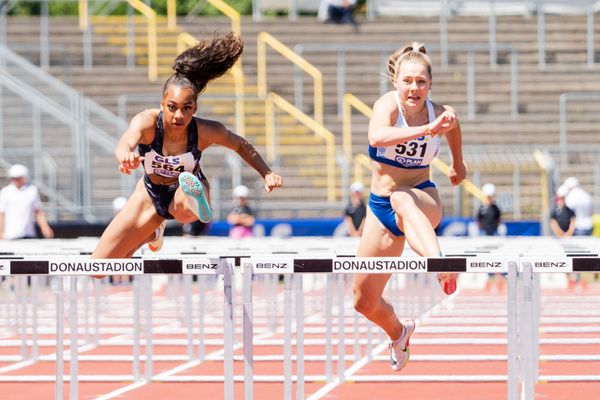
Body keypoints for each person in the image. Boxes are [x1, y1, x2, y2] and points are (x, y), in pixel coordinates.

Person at [91, 33, 283, 263]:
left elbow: (240, 144)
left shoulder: (205, 131)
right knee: (100, 266)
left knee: (186, 201)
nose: (179, 115)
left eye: (187, 108)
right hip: (150, 194)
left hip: (187, 190)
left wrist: (267, 172)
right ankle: (153, 232)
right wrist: (126, 157)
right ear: (162, 104)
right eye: (172, 107)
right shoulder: (147, 122)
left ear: (195, 108)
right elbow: (125, 142)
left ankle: (194, 199)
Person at [352, 42, 466, 372]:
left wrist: (458, 163)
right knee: (363, 301)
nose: (414, 88)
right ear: (396, 82)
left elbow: (454, 127)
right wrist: (428, 130)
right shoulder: (387, 106)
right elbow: (376, 137)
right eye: (407, 81)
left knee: (402, 198)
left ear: (430, 85)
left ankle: (441, 266)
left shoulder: (440, 112)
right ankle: (399, 333)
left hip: (422, 197)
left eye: (421, 82)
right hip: (380, 208)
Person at [0, 164, 54, 240]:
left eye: (18, 178)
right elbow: (1, 214)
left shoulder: (32, 190)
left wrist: (45, 227)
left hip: (29, 234)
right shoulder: (5, 192)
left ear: (24, 177)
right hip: (10, 235)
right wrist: (1, 233)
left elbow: (38, 212)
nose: (15, 180)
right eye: (13, 178)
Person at [476, 183, 504, 292]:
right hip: (484, 234)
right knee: (486, 256)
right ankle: (490, 277)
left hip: (494, 233)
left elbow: (499, 219)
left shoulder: (495, 208)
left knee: (497, 255)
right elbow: (478, 221)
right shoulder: (481, 208)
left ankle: (499, 277)